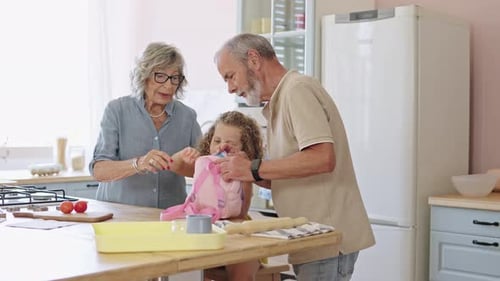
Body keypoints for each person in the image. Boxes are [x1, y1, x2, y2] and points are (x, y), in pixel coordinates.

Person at [213, 33, 376, 281]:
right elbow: (284, 176)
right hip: (311, 239)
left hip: (325, 239)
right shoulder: (280, 101)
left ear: (253, 59)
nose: (230, 88)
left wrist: (254, 168)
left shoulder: (297, 90)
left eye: (230, 76)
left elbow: (322, 158)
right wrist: (245, 169)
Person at [89, 42, 202, 209]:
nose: (169, 85)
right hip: (121, 216)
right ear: (144, 76)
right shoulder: (117, 110)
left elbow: (205, 169)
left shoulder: (187, 116)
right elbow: (99, 171)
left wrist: (180, 164)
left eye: (175, 77)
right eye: (161, 76)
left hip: (169, 216)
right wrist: (139, 163)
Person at [175, 110, 264, 281]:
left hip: (238, 232)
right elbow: (175, 167)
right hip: (206, 231)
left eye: (231, 144)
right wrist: (186, 157)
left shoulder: (242, 171)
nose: (222, 147)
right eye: (217, 141)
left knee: (242, 270)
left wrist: (242, 172)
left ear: (245, 151)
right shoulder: (204, 165)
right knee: (185, 266)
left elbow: (240, 212)